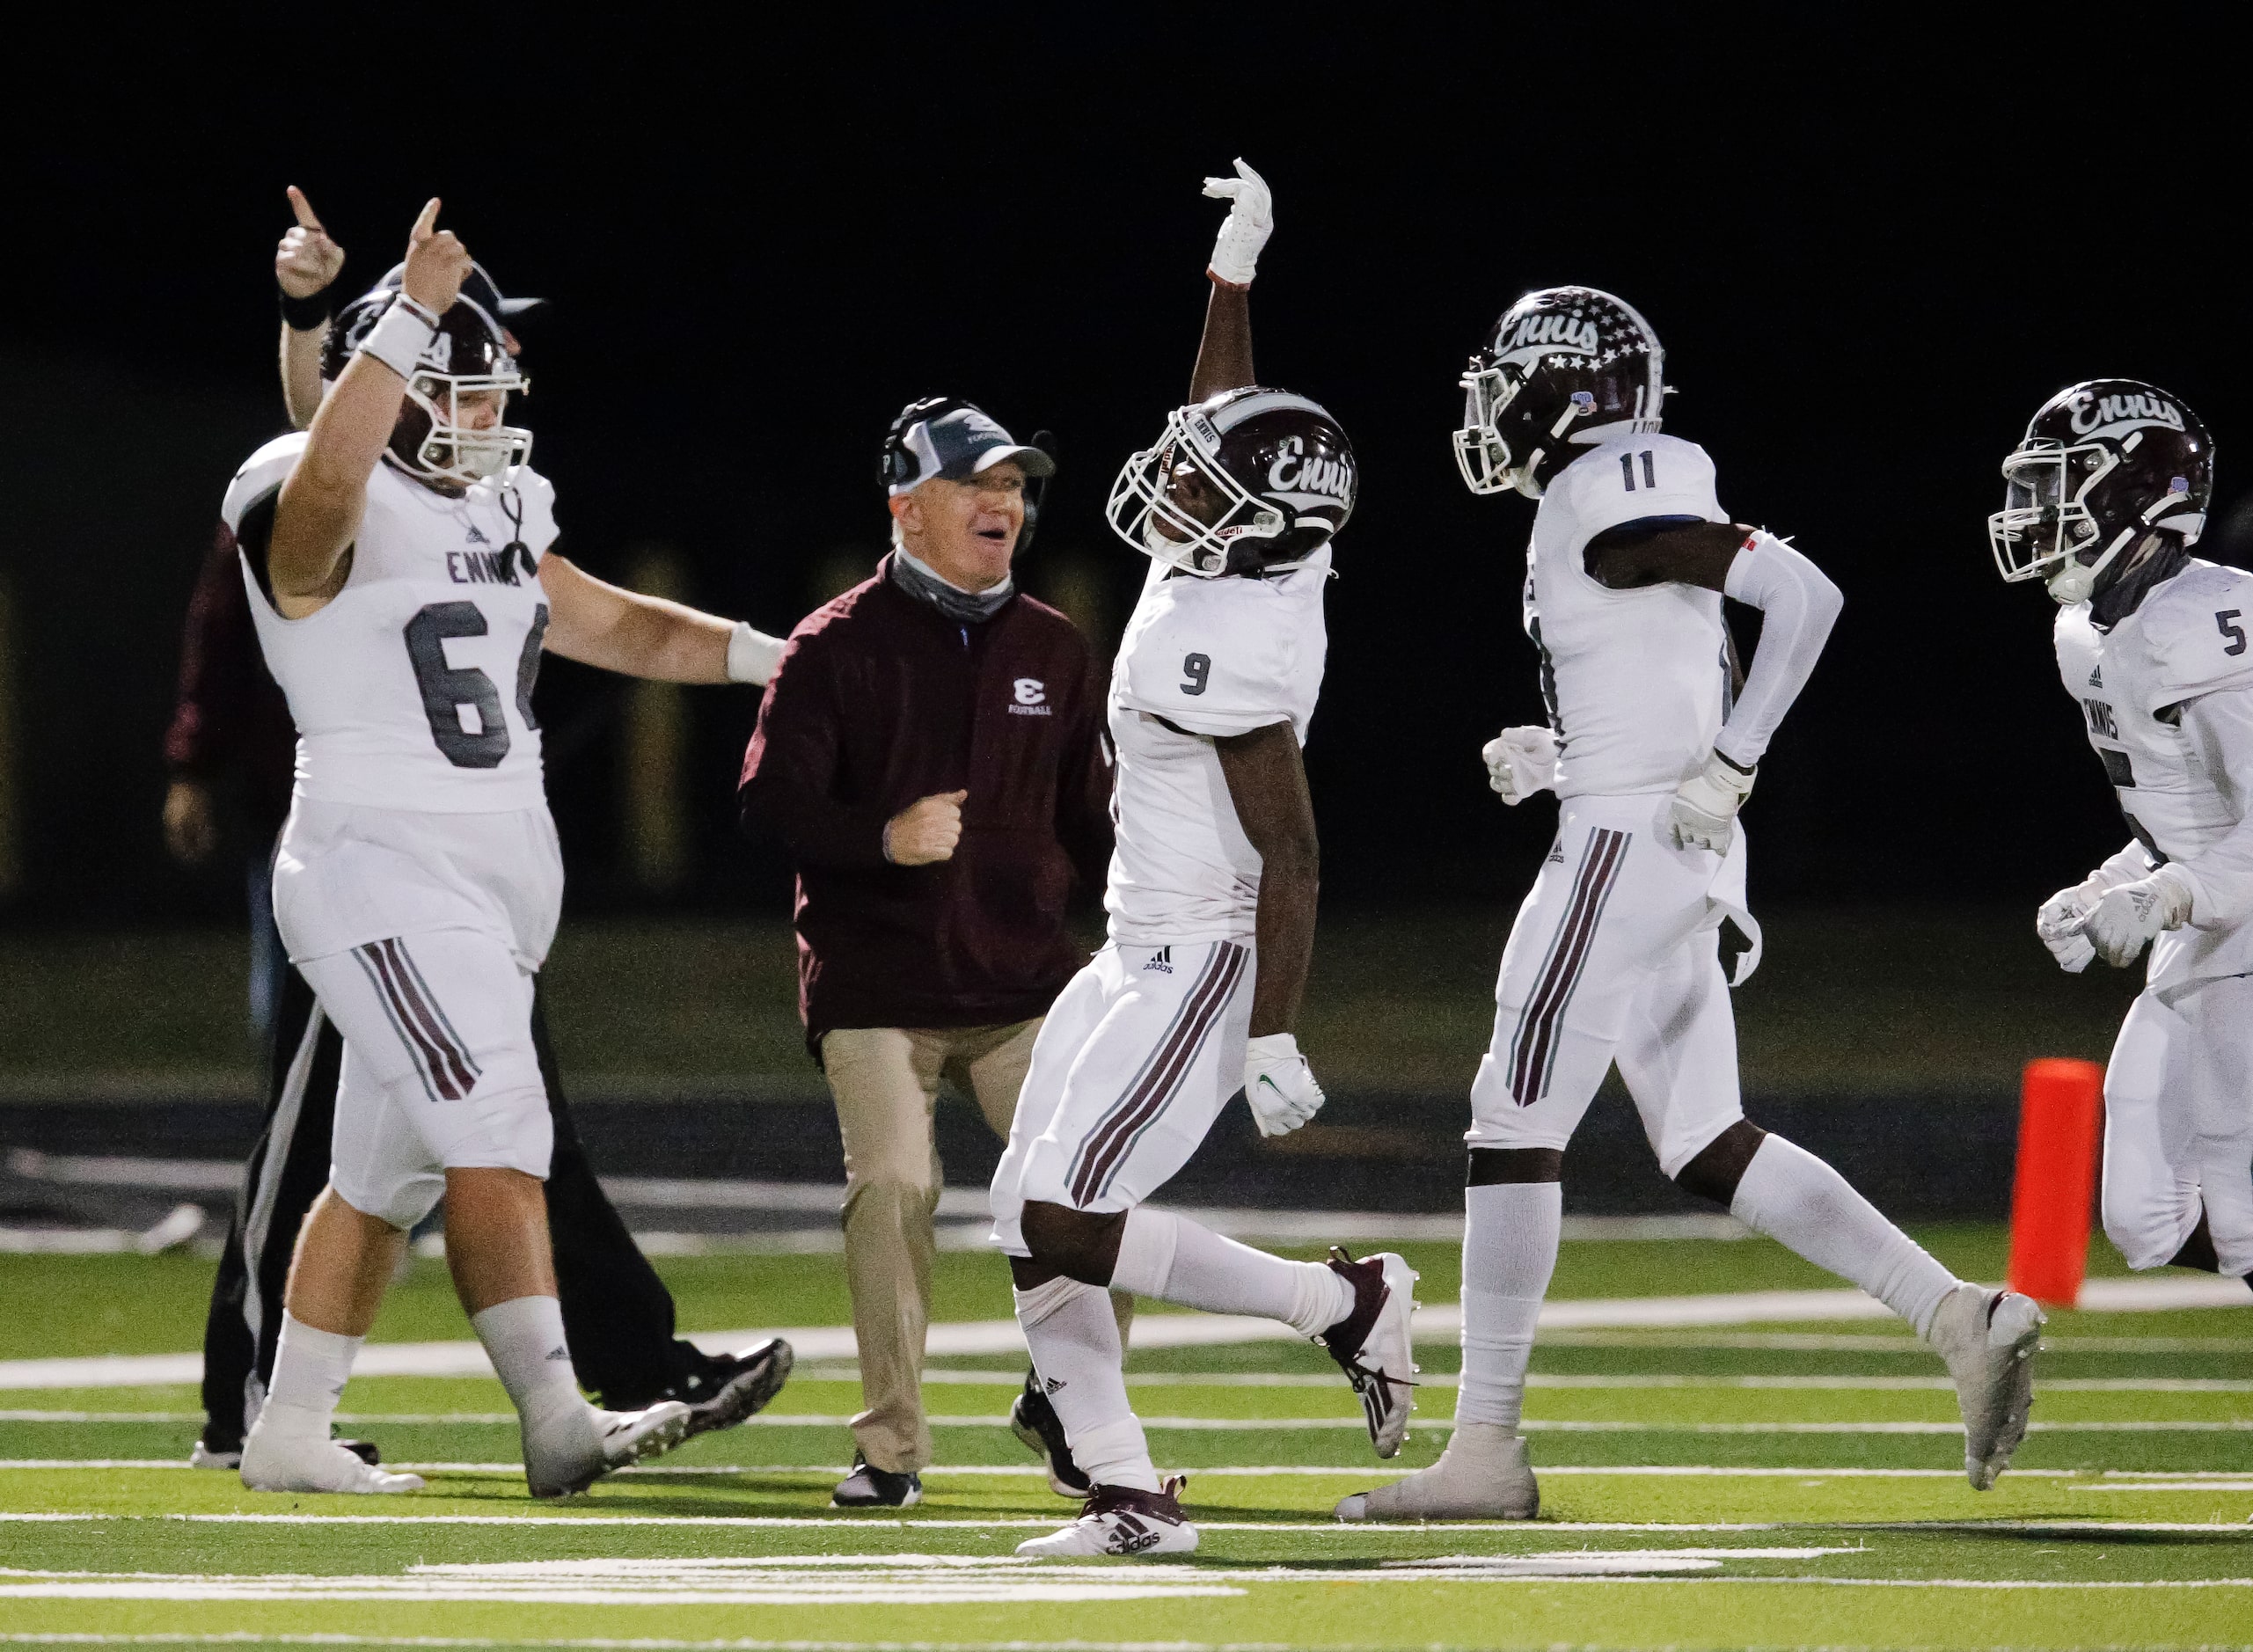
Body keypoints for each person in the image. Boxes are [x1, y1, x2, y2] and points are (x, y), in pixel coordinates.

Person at [1338, 288, 2046, 1524]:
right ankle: (1957, 1314)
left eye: (1511, 379)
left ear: (1559, 388)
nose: (1493, 404)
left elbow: (1806, 597)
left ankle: (1487, 1449)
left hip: (1630, 845)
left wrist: (1731, 760)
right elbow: (1672, 657)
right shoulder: (1619, 485)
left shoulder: (1602, 482)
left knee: (1511, 1118)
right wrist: (1573, 754)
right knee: (1706, 1138)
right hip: (1664, 841)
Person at [179, 191, 794, 1473]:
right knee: (502, 1133)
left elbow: (612, 622)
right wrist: (397, 316)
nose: (486, 415)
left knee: (380, 1181)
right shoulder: (300, 490)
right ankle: (558, 1422)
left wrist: (769, 658)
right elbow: (329, 484)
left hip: (489, 879)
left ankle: (289, 1429)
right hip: (380, 865)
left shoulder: (496, 506)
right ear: (395, 382)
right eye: (457, 388)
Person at [987, 161, 1415, 1561]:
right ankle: (1122, 1490)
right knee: (1021, 1208)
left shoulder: (1237, 634)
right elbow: (1218, 425)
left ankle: (1339, 1305)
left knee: (1065, 1209)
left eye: (1199, 486)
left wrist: (1274, 1031)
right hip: (1134, 942)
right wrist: (1231, 280)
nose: (1171, 483)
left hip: (1202, 960)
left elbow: (1291, 852)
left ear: (1258, 524)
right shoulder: (1246, 550)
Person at [738, 390, 1120, 1509]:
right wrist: (880, 839)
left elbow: (1091, 820)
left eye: (1014, 485)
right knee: (897, 1183)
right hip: (878, 988)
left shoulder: (1053, 642)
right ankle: (889, 1448)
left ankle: (1066, 1406)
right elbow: (766, 805)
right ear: (907, 508)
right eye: (978, 482)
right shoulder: (831, 645)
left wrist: (1160, 924)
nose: (1004, 501)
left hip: (1021, 981)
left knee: (1096, 1178)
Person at [1999, 381, 2253, 1290]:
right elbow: (2173, 817)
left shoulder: (2208, 626)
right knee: (2143, 1217)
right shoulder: (2087, 634)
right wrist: (2105, 886)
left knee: (2235, 1208)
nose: (2033, 511)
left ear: (2131, 491)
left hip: (2237, 928)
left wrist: (2163, 897)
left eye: (2057, 484)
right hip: (2204, 930)